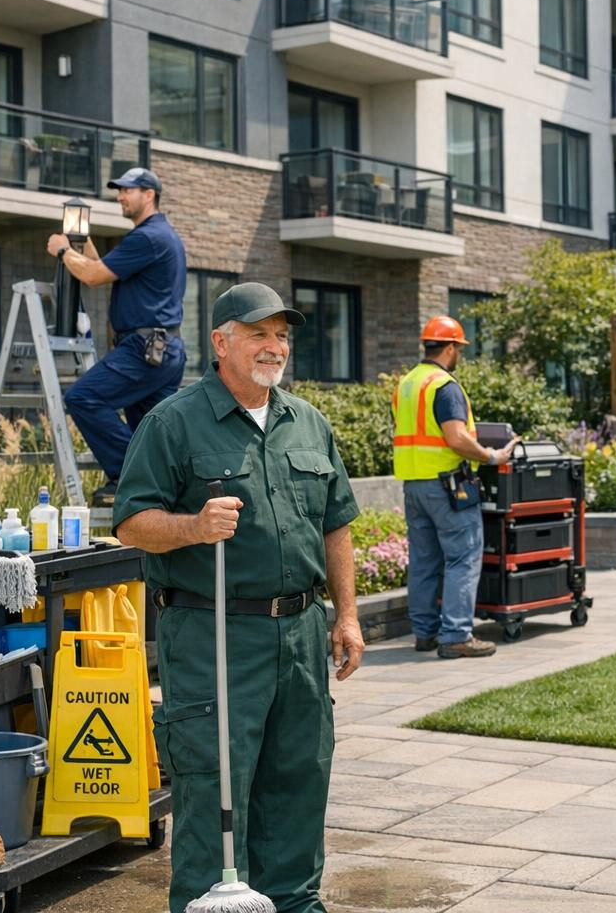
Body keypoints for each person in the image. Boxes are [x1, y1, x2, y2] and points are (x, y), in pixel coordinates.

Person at [112, 282, 365, 913]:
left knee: (299, 779)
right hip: (213, 634)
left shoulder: (307, 421)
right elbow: (131, 522)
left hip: (301, 635)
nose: (274, 346)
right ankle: (209, 904)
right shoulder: (173, 422)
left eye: (282, 335)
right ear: (221, 342)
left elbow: (336, 522)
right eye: (259, 333)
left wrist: (349, 616)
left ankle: (295, 904)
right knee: (217, 787)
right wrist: (194, 526)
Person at [47, 167, 186, 507]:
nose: (120, 197)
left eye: (127, 190)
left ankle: (131, 478)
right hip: (161, 350)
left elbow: (93, 277)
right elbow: (105, 269)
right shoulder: (156, 237)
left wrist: (64, 251)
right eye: (119, 191)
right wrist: (85, 242)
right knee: (150, 432)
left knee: (83, 398)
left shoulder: (149, 237)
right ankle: (159, 496)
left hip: (145, 348)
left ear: (148, 195)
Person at [392, 315, 517, 659]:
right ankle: (456, 635)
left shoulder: (406, 384)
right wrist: (491, 457)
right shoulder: (443, 385)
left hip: (414, 486)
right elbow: (457, 438)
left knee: (423, 560)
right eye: (458, 348)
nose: (459, 354)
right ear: (449, 348)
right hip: (447, 486)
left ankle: (425, 633)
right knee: (463, 556)